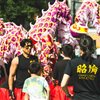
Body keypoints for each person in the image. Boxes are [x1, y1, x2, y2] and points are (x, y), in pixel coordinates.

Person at [61, 34, 100, 100]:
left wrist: (68, 94)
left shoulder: (72, 63)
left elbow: (63, 84)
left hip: (78, 97)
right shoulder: (98, 62)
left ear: (80, 48)